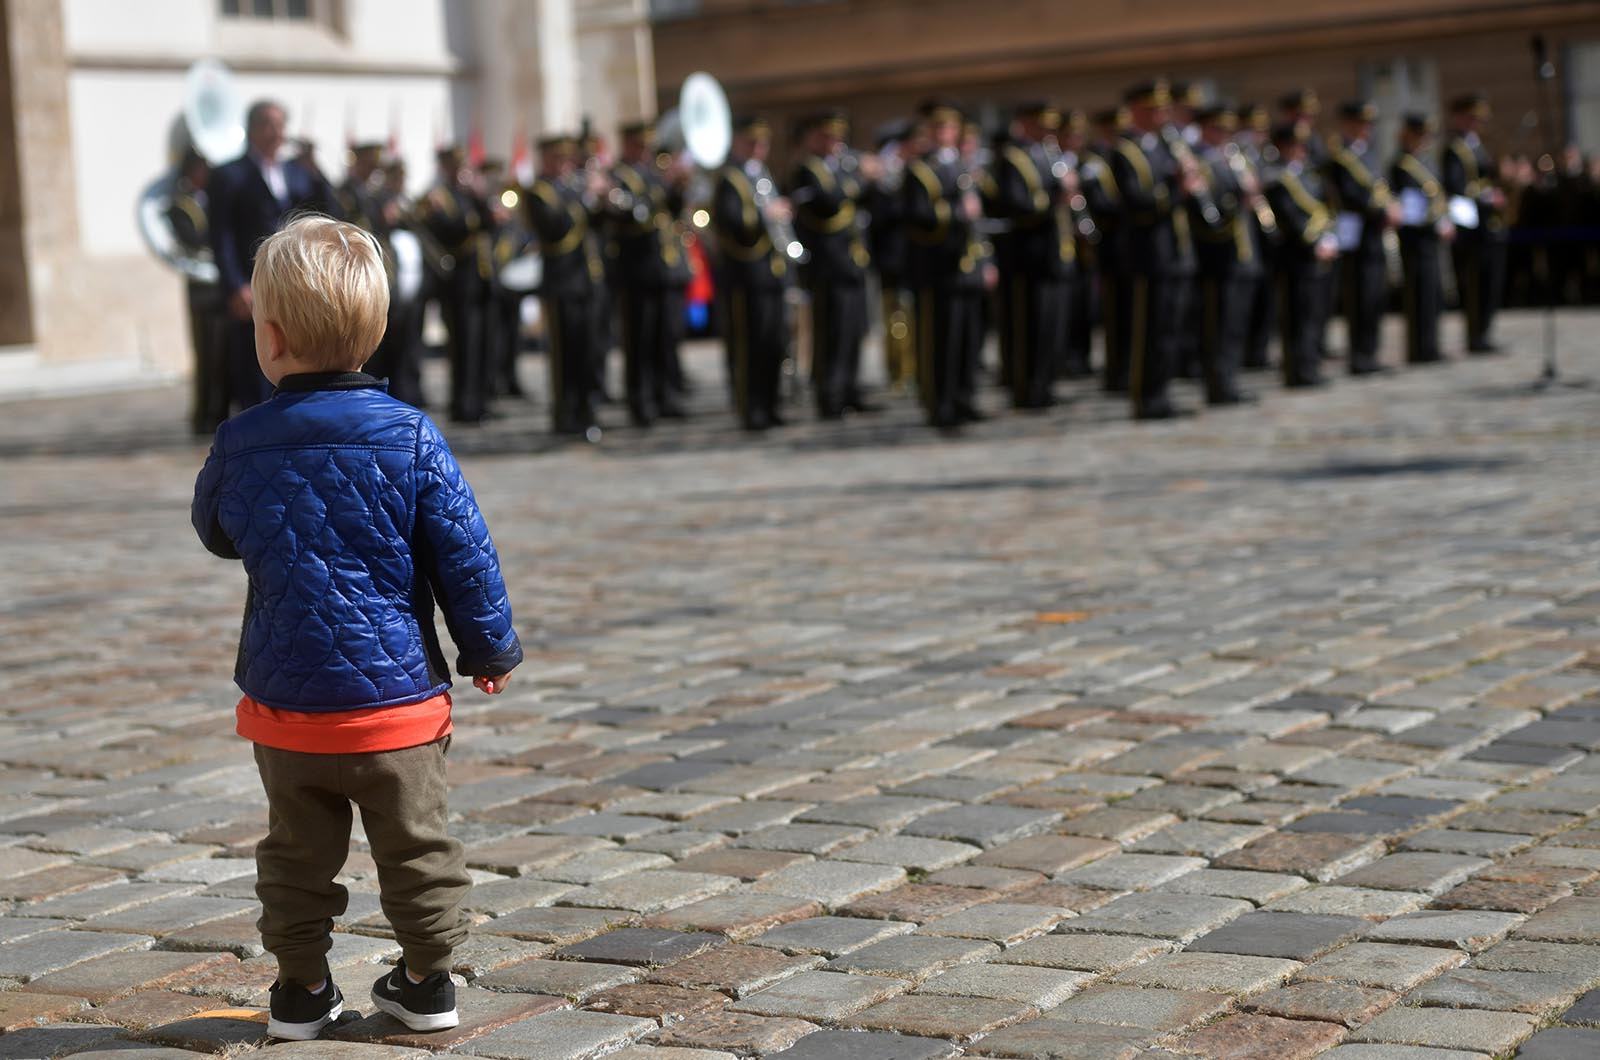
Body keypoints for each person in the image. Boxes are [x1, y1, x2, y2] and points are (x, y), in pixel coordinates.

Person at [191, 215, 521, 1043]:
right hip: (398, 705)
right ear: (375, 334)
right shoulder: (411, 436)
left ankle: (301, 989)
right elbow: (464, 555)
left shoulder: (239, 440)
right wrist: (488, 647)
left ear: (270, 340)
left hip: (288, 708)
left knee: (295, 856)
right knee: (418, 848)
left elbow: (216, 533)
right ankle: (427, 981)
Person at [208, 99, 338, 414]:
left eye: (280, 125)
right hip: (252, 282)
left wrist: (317, 171)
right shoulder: (229, 174)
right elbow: (221, 235)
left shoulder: (296, 172)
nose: (276, 132)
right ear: (252, 129)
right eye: (268, 124)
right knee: (253, 361)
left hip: (293, 281)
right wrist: (235, 285)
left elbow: (329, 212)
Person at [1109, 79, 1204, 419]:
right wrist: (1178, 188)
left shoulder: (1166, 145)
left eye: (1163, 109)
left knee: (1170, 330)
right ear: (1136, 110)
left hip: (1175, 250)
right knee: (1148, 330)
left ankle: (1161, 393)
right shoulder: (1125, 151)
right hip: (1149, 254)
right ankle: (1144, 396)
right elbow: (1138, 202)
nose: (1160, 116)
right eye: (1153, 109)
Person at [903, 100, 988, 429]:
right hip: (937, 268)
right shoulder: (920, 169)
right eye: (938, 128)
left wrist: (985, 261)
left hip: (966, 264)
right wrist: (956, 213)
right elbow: (916, 217)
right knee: (940, 341)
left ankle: (964, 398)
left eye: (950, 128)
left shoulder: (964, 165)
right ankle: (939, 403)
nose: (944, 133)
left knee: (968, 339)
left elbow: (979, 221)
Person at [987, 101, 1076, 409]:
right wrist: (1057, 197)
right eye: (1040, 125)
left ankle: (1045, 383)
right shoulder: (1012, 158)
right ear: (1024, 124)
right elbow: (1017, 205)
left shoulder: (1048, 156)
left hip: (1050, 254)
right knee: (1027, 327)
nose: (1046, 132)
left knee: (1051, 325)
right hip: (1025, 257)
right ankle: (1025, 388)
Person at [790, 110, 878, 419]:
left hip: (852, 260)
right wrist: (860, 179)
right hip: (827, 266)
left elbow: (866, 201)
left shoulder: (842, 168)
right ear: (813, 138)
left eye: (837, 137)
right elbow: (827, 202)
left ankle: (850, 390)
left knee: (854, 329)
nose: (835, 143)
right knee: (832, 333)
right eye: (827, 137)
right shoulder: (807, 170)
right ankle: (830, 394)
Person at [607, 119, 692, 426]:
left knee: (665, 336)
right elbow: (634, 215)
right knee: (639, 339)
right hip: (637, 270)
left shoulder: (653, 174)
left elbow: (672, 210)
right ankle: (640, 401)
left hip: (663, 269)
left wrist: (678, 185)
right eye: (640, 145)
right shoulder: (618, 175)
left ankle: (666, 395)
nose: (645, 151)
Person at [711, 115, 792, 431]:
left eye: (763, 143)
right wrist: (766, 214)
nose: (758, 149)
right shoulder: (730, 178)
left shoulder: (762, 175)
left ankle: (771, 404)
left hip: (771, 272)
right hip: (745, 275)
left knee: (773, 343)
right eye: (752, 142)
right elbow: (730, 221)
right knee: (749, 344)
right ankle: (750, 407)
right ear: (738, 142)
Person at [525, 134, 608, 437]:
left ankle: (588, 411)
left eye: (566, 159)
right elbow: (554, 229)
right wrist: (585, 197)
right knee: (565, 355)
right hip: (561, 284)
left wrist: (602, 200)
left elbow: (599, 226)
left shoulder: (571, 189)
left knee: (590, 351)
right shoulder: (539, 191)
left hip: (586, 282)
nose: (564, 164)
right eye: (558, 158)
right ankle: (565, 414)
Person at [417, 146, 492, 424]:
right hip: (457, 284)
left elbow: (489, 223)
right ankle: (462, 404)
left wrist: (480, 196)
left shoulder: (467, 194)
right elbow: (451, 232)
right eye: (455, 165)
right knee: (462, 347)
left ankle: (479, 400)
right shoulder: (438, 196)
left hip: (479, 281)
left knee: (480, 345)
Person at [1191, 105, 1260, 404]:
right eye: (1218, 129)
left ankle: (1230, 379)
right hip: (1218, 256)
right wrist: (1240, 196)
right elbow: (1209, 210)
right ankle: (1218, 383)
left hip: (1241, 253)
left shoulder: (1233, 159)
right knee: (1217, 325)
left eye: (1227, 130)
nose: (1223, 135)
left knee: (1235, 324)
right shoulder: (1199, 161)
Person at [1324, 100, 1396, 375]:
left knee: (1375, 296)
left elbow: (1380, 188)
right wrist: (1382, 211)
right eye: (1360, 124)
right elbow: (1349, 196)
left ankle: (1371, 351)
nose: (1366, 129)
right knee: (1360, 295)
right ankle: (1359, 355)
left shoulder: (1368, 154)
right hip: (1356, 235)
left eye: (1368, 125)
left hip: (1374, 233)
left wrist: (1391, 207)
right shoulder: (1340, 157)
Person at [1265, 122, 1339, 387]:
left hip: (1318, 255)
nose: (1300, 151)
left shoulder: (1308, 176)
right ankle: (1296, 369)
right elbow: (1289, 219)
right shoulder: (1277, 179)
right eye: (1294, 146)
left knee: (1314, 313)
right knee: (1297, 316)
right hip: (1296, 256)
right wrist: (1315, 241)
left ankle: (1310, 365)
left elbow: (1325, 208)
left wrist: (1329, 237)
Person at [167, 148, 228, 434]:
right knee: (206, 352)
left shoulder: (213, 199)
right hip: (201, 287)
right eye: (200, 168)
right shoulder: (181, 205)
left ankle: (220, 410)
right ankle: (203, 414)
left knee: (224, 353)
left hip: (220, 283)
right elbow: (192, 239)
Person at [1442, 92, 1508, 352]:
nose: (1476, 124)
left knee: (1491, 282)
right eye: (1471, 118)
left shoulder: (1477, 145)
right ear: (1459, 118)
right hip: (1472, 227)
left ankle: (1484, 332)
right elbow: (1456, 186)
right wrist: (1487, 196)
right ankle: (1476, 335)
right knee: (1475, 283)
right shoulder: (1455, 149)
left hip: (1489, 224)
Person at [1392, 113, 1454, 364]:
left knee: (1432, 293)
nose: (1424, 140)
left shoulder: (1425, 162)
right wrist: (1436, 221)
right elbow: (1410, 205)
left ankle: (1431, 346)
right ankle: (1419, 349)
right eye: (1420, 135)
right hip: (1415, 238)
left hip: (1430, 237)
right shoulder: (1402, 165)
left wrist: (1444, 219)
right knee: (1419, 294)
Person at [868, 120, 916, 391]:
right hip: (892, 258)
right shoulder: (884, 183)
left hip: (910, 256)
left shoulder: (906, 174)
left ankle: (910, 367)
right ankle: (899, 370)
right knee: (895, 316)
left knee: (908, 314)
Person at [1086, 106, 1131, 391]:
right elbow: (1100, 205)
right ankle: (1115, 372)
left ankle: (1126, 368)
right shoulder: (1096, 161)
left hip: (1129, 247)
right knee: (1115, 315)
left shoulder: (1124, 155)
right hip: (1111, 246)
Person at [1236, 102, 1278, 370]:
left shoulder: (1266, 157)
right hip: (1247, 234)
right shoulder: (1238, 157)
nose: (1258, 135)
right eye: (1253, 129)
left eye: (1261, 130)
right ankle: (1248, 351)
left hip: (1265, 236)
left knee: (1266, 298)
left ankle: (1260, 351)